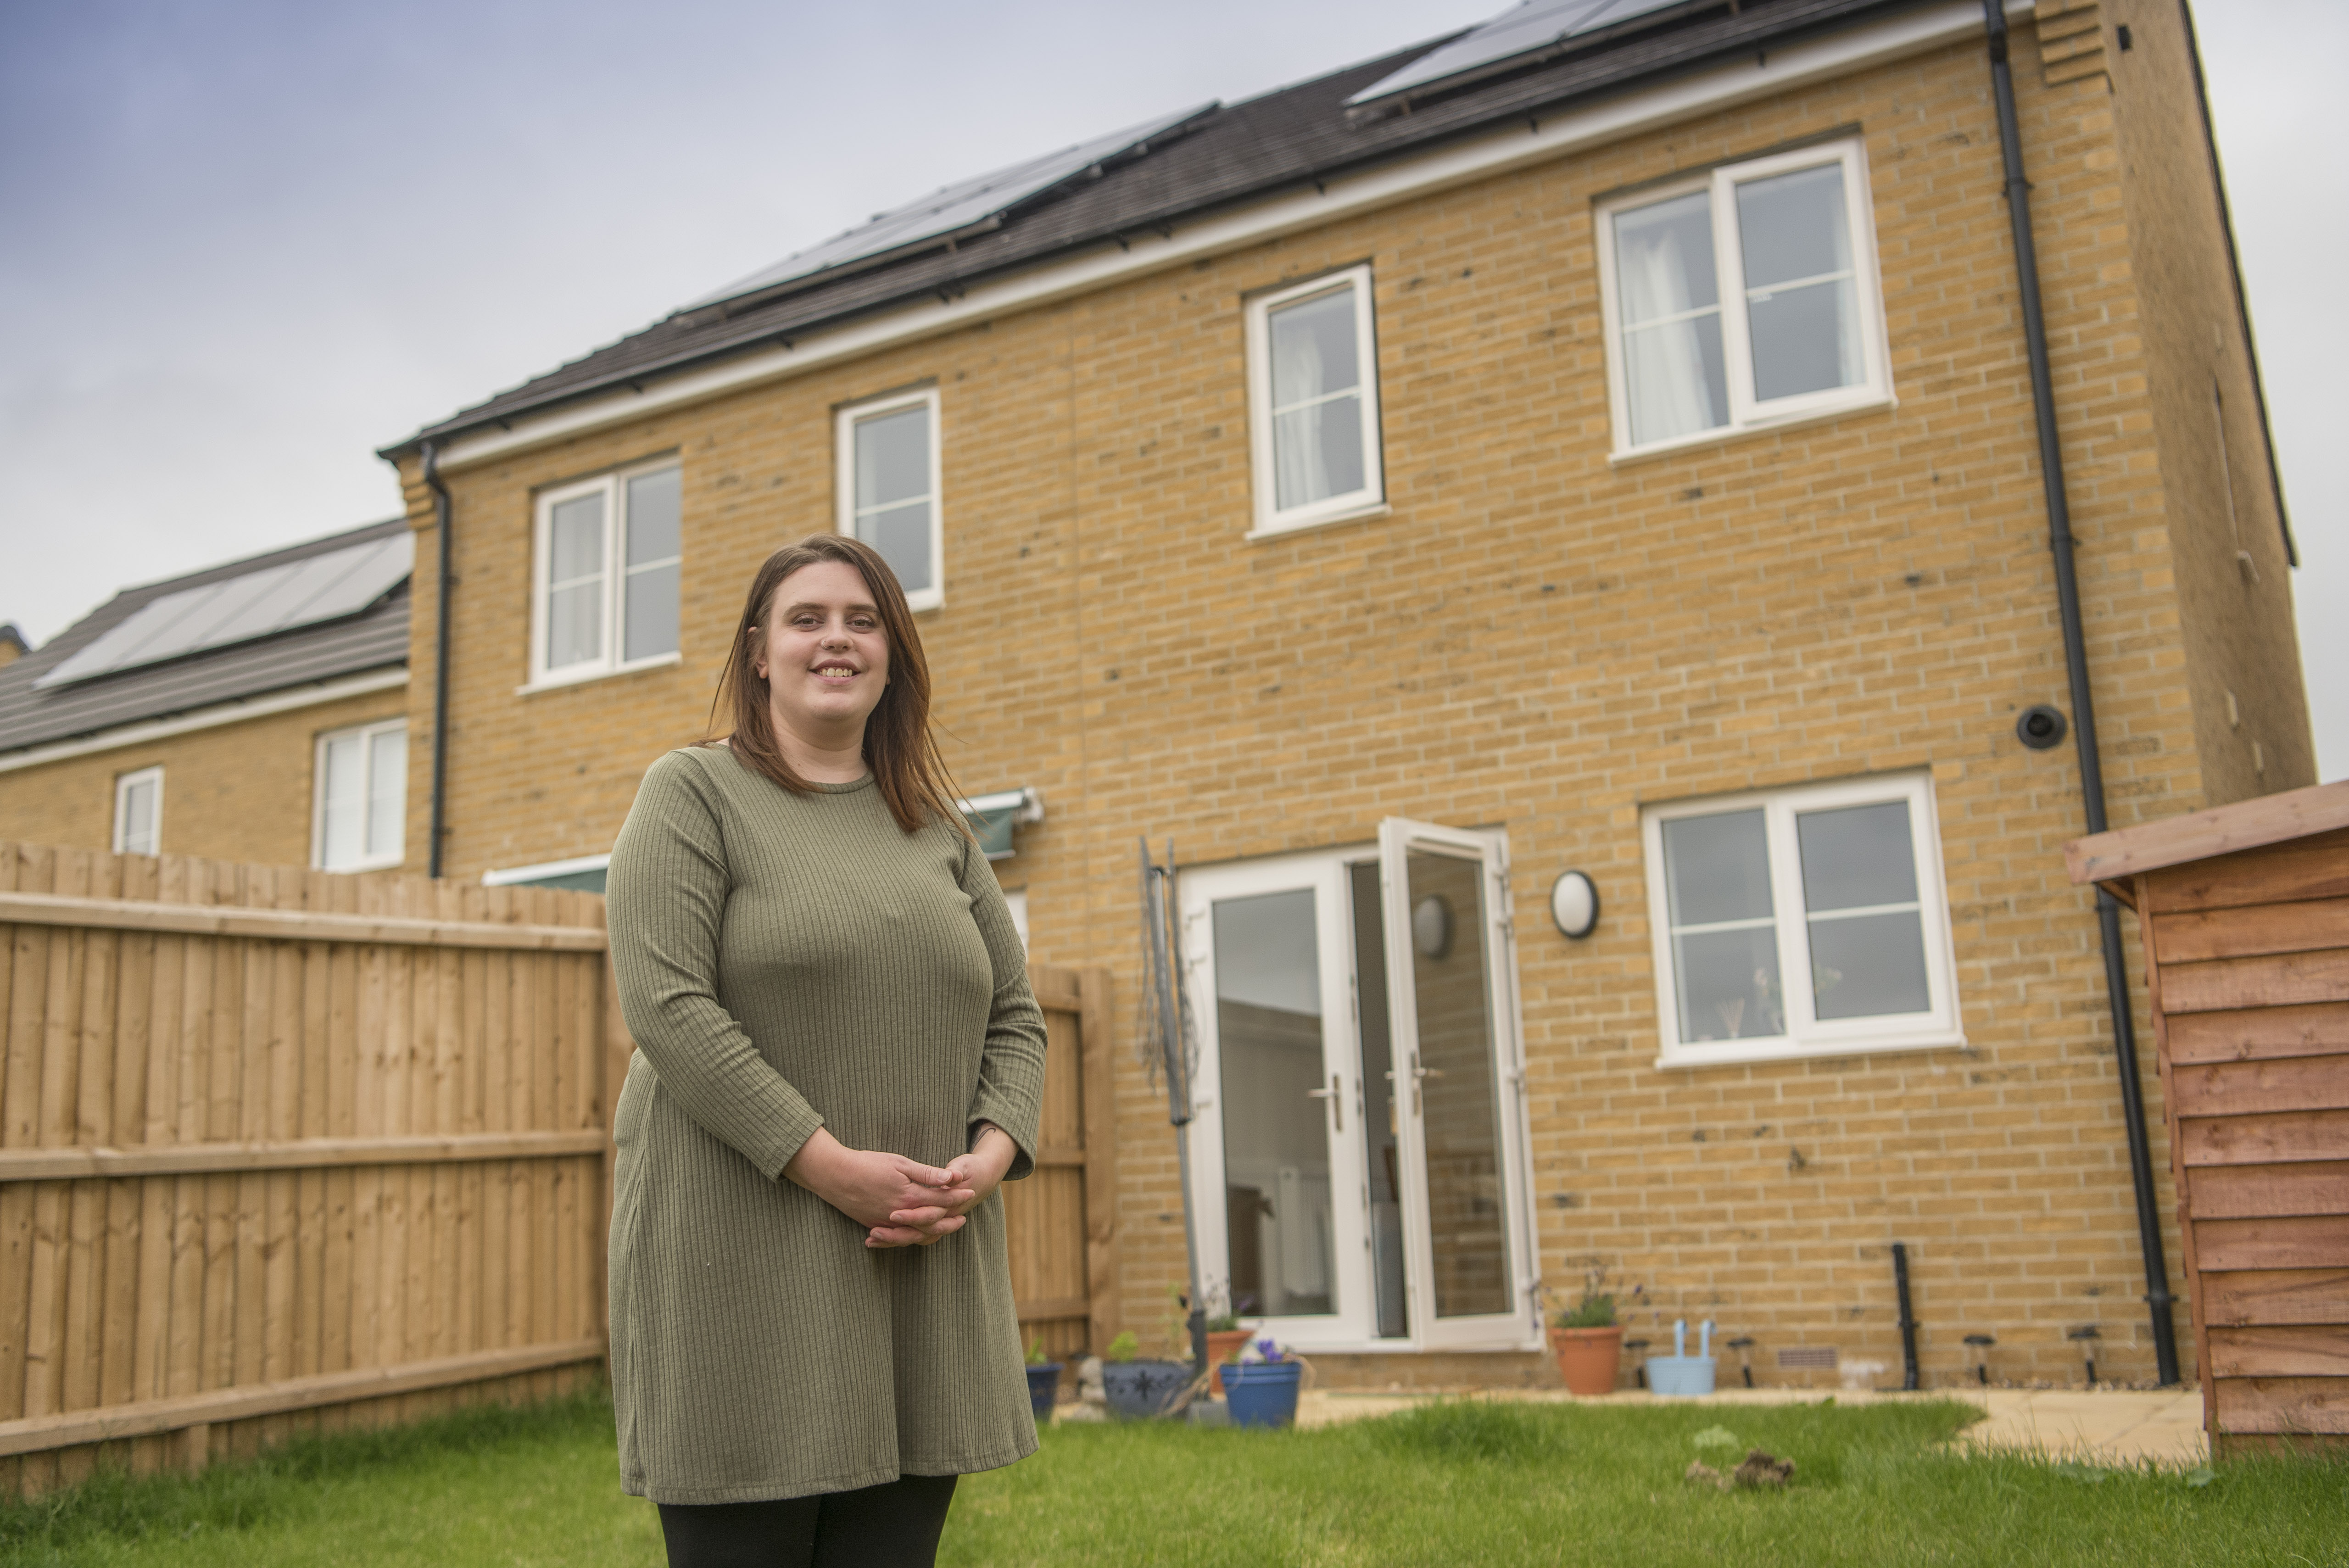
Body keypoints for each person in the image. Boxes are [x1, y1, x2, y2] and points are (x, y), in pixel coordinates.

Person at [604, 533, 1047, 1568]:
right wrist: (828, 1165)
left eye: (862, 619)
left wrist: (986, 1160)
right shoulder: (692, 795)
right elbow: (668, 1004)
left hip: (918, 1264)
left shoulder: (935, 827)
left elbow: (1016, 1015)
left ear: (892, 653)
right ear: (759, 651)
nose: (835, 639)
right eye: (806, 619)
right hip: (741, 1262)